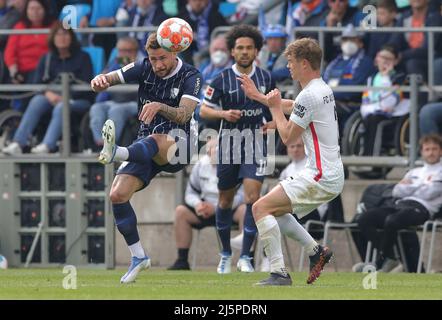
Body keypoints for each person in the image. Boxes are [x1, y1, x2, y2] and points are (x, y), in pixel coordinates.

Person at [90, 32, 202, 283]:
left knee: (156, 140)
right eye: (153, 59)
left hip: (178, 145)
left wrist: (160, 106)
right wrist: (99, 80)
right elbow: (112, 77)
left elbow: (184, 115)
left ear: (175, 52)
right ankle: (139, 256)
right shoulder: (143, 67)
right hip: (145, 145)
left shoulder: (191, 76)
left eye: (162, 58)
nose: (158, 65)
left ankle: (117, 152)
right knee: (117, 195)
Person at [238, 37, 344, 285]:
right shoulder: (321, 89)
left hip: (321, 175)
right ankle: (317, 252)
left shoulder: (310, 95)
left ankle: (279, 273)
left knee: (259, 208)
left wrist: (274, 109)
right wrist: (259, 96)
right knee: (273, 209)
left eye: (291, 62)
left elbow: (286, 137)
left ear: (304, 64)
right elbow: (294, 106)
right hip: (327, 173)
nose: (288, 67)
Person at [199, 25, 275, 274]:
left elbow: (273, 106)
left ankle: (246, 257)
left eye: (249, 48)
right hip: (229, 144)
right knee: (225, 200)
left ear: (256, 51)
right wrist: (223, 114)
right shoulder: (220, 79)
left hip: (256, 144)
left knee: (253, 198)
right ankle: (224, 255)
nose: (244, 52)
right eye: (239, 48)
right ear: (232, 51)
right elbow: (202, 110)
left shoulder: (266, 77)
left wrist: (274, 122)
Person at [2, 21, 93, 155]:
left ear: (72, 37)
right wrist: (48, 94)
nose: (62, 38)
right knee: (37, 101)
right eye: (58, 35)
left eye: (65, 34)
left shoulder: (83, 57)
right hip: (52, 97)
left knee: (62, 107)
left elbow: (87, 85)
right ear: (53, 38)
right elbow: (37, 83)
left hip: (77, 100)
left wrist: (66, 97)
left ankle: (47, 145)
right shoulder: (46, 58)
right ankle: (18, 143)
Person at [356, 134, 442, 272]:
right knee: (364, 219)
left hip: (422, 208)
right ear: (422, 152)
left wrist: (410, 187)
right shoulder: (414, 171)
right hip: (400, 204)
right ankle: (391, 257)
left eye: (434, 149)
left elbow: (429, 193)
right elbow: (396, 192)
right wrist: (420, 185)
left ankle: (381, 261)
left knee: (392, 220)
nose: (431, 152)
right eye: (427, 149)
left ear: (440, 151)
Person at [168, 138, 246, 270]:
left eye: (215, 149)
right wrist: (198, 205)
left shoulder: (235, 165)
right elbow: (190, 193)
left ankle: (246, 258)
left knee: (245, 210)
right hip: (205, 210)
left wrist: (217, 208)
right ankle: (182, 261)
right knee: (180, 212)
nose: (211, 152)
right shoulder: (200, 165)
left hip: (229, 208)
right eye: (209, 149)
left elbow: (242, 196)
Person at [88, 37, 140, 150]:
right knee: (96, 108)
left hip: (135, 102)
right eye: (121, 51)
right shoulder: (115, 63)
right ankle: (100, 144)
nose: (124, 54)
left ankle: (110, 145)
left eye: (128, 51)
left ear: (135, 51)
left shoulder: (141, 64)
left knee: (116, 110)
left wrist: (130, 67)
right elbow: (102, 92)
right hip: (114, 101)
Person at [359, 45, 408, 156]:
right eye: (382, 57)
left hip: (393, 114)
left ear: (395, 62)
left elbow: (388, 103)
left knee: (374, 119)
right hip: (371, 113)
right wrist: (374, 109)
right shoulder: (371, 78)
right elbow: (365, 101)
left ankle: (371, 157)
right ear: (377, 59)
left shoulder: (399, 77)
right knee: (368, 118)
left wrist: (386, 77)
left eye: (389, 59)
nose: (385, 61)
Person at [4, 0, 55, 85]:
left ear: (45, 10)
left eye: (38, 8)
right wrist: (14, 73)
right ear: (26, 11)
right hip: (23, 72)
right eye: (31, 9)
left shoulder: (53, 26)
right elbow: (10, 53)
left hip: (47, 70)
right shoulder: (19, 27)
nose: (35, 12)